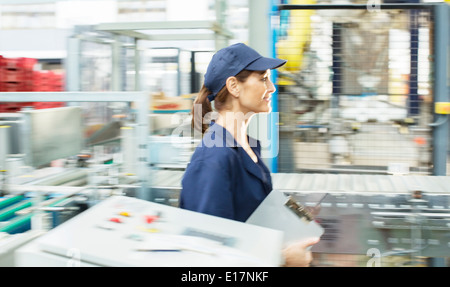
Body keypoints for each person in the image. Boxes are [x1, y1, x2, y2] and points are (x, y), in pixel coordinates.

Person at [179, 43, 319, 267]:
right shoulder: (214, 160)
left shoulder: (249, 148)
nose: (272, 87)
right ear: (234, 86)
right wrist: (281, 258)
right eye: (263, 78)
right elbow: (206, 260)